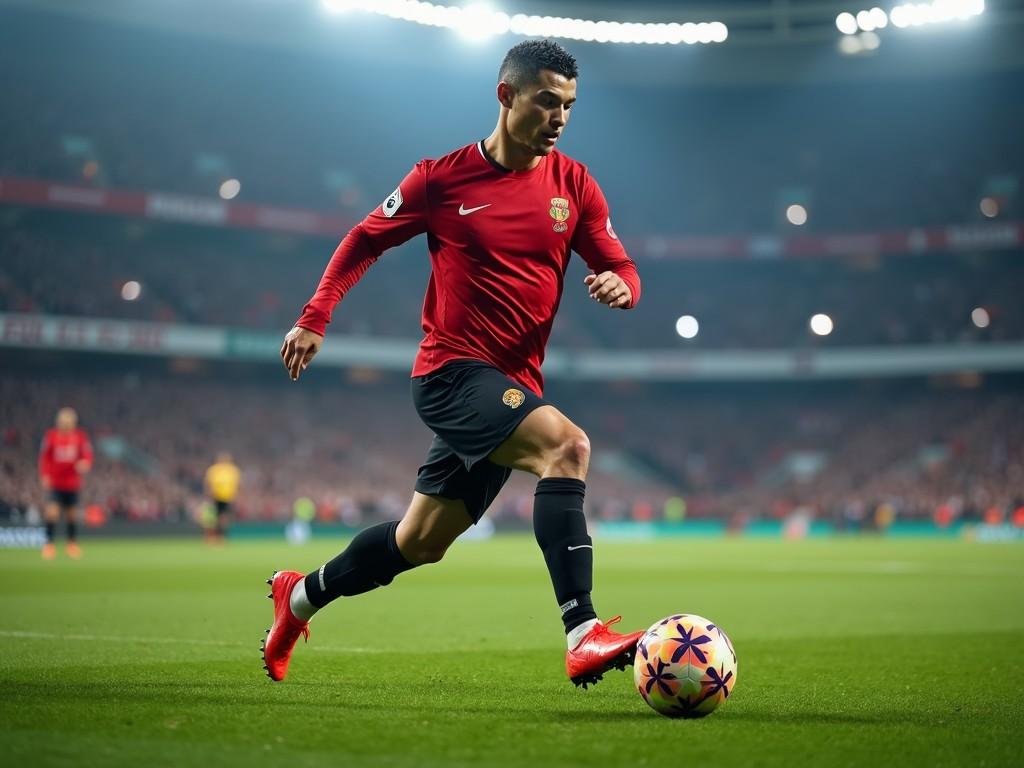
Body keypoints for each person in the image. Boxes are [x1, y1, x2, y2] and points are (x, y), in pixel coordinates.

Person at [266, 39, 643, 689]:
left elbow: (622, 266)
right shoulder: (440, 179)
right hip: (450, 374)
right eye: (547, 101)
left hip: (511, 385)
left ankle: (298, 599)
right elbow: (363, 239)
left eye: (570, 106)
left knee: (420, 543)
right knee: (567, 447)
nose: (559, 117)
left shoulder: (574, 185)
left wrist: (620, 286)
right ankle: (582, 631)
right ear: (506, 96)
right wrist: (315, 315)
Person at [38, 407, 92, 559]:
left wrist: (85, 463)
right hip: (56, 482)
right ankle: (48, 544)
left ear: (74, 423)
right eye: (64, 422)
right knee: (52, 512)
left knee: (72, 515)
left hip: (72, 483)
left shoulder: (80, 437)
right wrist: (45, 475)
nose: (67, 425)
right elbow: (45, 457)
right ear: (59, 422)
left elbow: (87, 455)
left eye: (69, 422)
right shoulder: (51, 436)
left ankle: (72, 543)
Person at [204, 452, 240, 544]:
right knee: (214, 518)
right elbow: (208, 484)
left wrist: (235, 495)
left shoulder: (233, 470)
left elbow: (236, 485)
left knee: (224, 518)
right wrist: (210, 494)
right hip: (216, 497)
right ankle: (213, 537)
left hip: (228, 498)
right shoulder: (213, 470)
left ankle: (221, 537)